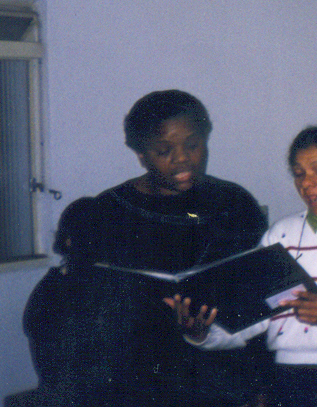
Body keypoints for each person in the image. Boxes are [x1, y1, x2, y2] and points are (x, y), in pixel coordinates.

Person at [23, 89, 269, 407]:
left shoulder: (233, 202)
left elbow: (261, 297)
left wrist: (263, 382)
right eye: (163, 150)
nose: (182, 159)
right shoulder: (106, 212)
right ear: (141, 154)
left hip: (218, 365)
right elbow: (70, 314)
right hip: (136, 374)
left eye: (193, 145)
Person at [170, 125, 317, 407]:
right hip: (291, 383)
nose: (306, 183)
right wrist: (203, 334)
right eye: (299, 174)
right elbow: (251, 320)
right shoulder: (280, 235)